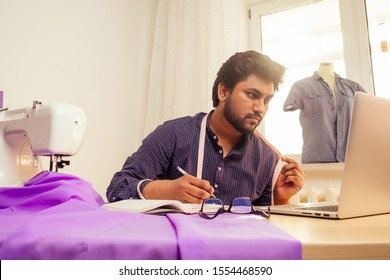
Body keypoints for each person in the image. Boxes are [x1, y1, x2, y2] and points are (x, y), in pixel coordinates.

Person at [107, 50, 304, 206]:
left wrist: (280, 199)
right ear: (223, 91)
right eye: (252, 95)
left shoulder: (267, 159)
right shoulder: (173, 134)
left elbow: (262, 229)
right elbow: (116, 189)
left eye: (266, 100)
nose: (260, 108)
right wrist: (165, 190)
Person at [283, 62, 366, 163]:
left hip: (349, 159)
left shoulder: (353, 87)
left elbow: (369, 110)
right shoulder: (301, 86)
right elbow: (288, 106)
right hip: (316, 160)